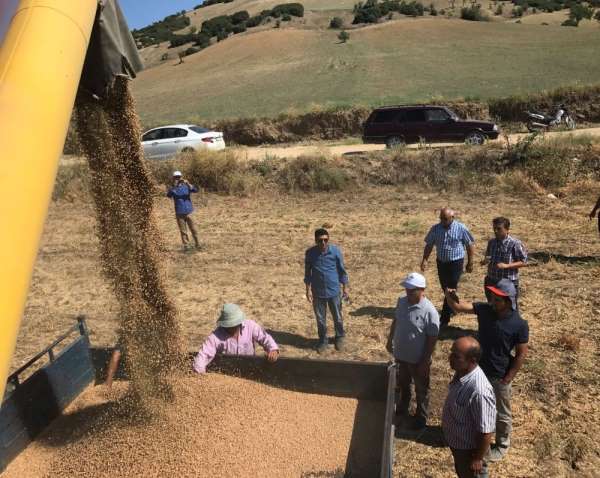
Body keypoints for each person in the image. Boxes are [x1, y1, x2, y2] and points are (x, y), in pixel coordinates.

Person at [444, 280, 529, 462]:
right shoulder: (485, 310)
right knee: (475, 406)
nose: (493, 301)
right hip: (478, 371)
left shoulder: (519, 324)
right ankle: (478, 435)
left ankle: (501, 444)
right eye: (492, 297)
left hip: (500, 375)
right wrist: (449, 296)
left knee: (502, 412)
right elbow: (459, 307)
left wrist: (509, 377)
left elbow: (521, 354)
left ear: (508, 301)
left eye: (497, 299)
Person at [386, 272, 439, 430]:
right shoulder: (401, 302)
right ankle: (403, 409)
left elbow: (432, 338)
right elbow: (396, 320)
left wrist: (425, 360)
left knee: (421, 389)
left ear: (422, 289)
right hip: (401, 356)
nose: (407, 292)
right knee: (403, 383)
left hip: (418, 360)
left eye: (411, 289)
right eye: (407, 289)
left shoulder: (429, 311)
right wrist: (390, 340)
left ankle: (421, 417)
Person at [442, 336, 496, 478]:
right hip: (459, 445)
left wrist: (477, 458)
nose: (450, 358)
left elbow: (486, 432)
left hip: (470, 452)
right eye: (451, 353)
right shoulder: (462, 372)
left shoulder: (480, 391)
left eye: (456, 356)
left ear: (472, 360)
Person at [421, 207, 475, 326]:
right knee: (445, 287)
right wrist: (425, 259)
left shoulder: (461, 228)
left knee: (450, 288)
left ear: (452, 218)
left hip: (456, 263)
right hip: (441, 263)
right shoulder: (436, 229)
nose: (442, 221)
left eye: (445, 219)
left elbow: (469, 245)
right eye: (441, 218)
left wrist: (470, 262)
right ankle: (453, 307)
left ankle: (444, 318)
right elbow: (429, 244)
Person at [192, 303, 279, 374]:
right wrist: (199, 371)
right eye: (229, 325)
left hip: (251, 369)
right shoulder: (216, 336)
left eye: (234, 324)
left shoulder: (250, 326)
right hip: (227, 372)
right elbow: (204, 354)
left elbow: (265, 338)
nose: (232, 327)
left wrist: (273, 349)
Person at [304, 228, 349, 353]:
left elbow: (342, 271)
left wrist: (345, 288)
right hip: (318, 292)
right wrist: (307, 290)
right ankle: (323, 340)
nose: (323, 243)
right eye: (320, 240)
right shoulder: (310, 253)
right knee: (320, 319)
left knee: (338, 317)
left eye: (325, 240)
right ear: (316, 241)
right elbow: (308, 273)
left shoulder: (335, 252)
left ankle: (339, 337)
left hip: (334, 290)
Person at [482, 217, 527, 303]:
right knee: (492, 307)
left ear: (507, 229)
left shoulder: (515, 243)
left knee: (510, 308)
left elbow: (523, 262)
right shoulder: (491, 242)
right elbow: (488, 257)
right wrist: (485, 261)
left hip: (508, 282)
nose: (495, 231)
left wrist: (507, 265)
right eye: (494, 228)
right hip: (491, 280)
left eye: (499, 229)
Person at [166, 170, 200, 251]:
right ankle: (187, 246)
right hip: (179, 212)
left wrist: (188, 183)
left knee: (193, 229)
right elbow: (168, 195)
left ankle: (198, 244)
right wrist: (174, 186)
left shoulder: (186, 186)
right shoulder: (172, 187)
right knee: (183, 231)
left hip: (189, 211)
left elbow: (195, 190)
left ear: (181, 177)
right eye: (176, 177)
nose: (178, 178)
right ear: (173, 178)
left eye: (179, 177)